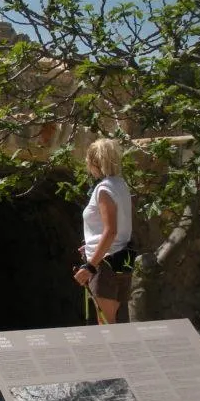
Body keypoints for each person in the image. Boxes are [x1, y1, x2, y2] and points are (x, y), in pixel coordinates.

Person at [73, 138, 134, 324]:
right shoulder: (121, 185)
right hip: (122, 259)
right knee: (114, 323)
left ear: (94, 162)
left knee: (106, 326)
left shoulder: (104, 189)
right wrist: (91, 246)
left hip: (105, 264)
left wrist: (90, 265)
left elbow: (110, 231)